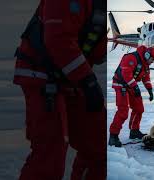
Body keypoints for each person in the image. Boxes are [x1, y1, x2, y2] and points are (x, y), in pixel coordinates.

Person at [13, 0, 106, 179]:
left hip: (73, 77)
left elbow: (95, 50)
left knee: (99, 146)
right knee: (50, 153)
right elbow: (58, 40)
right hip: (42, 75)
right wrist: (88, 82)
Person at [109, 46, 154, 147]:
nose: (152, 62)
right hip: (121, 84)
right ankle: (113, 136)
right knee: (123, 112)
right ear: (147, 55)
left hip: (131, 85)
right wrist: (135, 87)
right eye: (152, 59)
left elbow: (146, 77)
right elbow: (126, 74)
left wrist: (149, 89)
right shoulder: (131, 58)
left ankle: (134, 131)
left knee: (139, 108)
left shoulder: (145, 64)